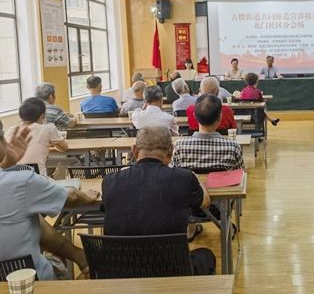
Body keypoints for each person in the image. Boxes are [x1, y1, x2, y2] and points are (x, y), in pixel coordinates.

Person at [101, 126, 216, 275]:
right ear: (171, 152)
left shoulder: (110, 181)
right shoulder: (184, 178)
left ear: (134, 151)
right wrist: (197, 179)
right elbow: (204, 203)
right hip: (172, 268)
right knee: (206, 255)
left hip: (119, 270)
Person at [0, 122, 100, 280]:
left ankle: (78, 256)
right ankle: (78, 257)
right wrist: (87, 196)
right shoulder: (21, 182)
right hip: (30, 281)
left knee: (29, 215)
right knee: (33, 218)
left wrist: (6, 165)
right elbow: (71, 198)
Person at [172, 94, 245, 171]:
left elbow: (173, 172)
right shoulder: (233, 147)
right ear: (220, 117)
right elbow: (241, 173)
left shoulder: (179, 146)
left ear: (195, 117)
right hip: (221, 179)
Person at [8, 98, 68, 176]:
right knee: (63, 164)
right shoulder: (48, 128)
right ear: (43, 115)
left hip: (11, 178)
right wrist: (52, 143)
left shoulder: (11, 130)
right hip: (37, 178)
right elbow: (64, 148)